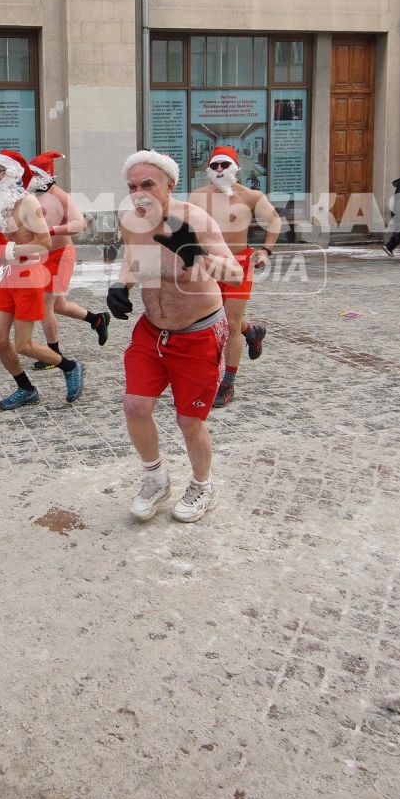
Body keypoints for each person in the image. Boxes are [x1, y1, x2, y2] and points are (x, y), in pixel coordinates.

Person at [110, 150, 240, 525]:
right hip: (152, 331)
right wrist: (121, 285)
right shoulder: (132, 221)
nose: (139, 193)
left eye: (148, 184)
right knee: (135, 406)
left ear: (170, 184)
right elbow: (135, 256)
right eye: (132, 186)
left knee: (189, 421)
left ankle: (203, 485)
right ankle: (155, 479)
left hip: (197, 333)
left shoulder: (195, 220)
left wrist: (195, 253)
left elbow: (232, 274)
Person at [0, 150, 83, 410]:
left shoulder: (28, 203)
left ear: (14, 172)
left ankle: (70, 366)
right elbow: (5, 238)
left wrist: (9, 251)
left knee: (24, 344)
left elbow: (43, 244)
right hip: (9, 278)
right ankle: (26, 389)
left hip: (29, 278)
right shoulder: (3, 202)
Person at [189, 145, 281, 406]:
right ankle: (251, 332)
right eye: (215, 165)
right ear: (209, 169)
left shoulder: (250, 196)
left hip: (240, 263)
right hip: (209, 264)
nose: (219, 170)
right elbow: (182, 226)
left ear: (235, 168)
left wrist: (266, 250)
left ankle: (227, 383)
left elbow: (274, 221)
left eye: (225, 165)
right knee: (208, 320)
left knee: (230, 323)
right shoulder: (197, 197)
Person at [30, 150, 110, 350]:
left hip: (60, 256)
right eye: (31, 174)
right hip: (42, 257)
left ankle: (53, 354)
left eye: (36, 174)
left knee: (44, 304)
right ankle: (97, 319)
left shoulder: (60, 196)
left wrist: (52, 229)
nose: (32, 178)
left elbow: (79, 223)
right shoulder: (34, 194)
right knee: (58, 305)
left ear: (47, 175)